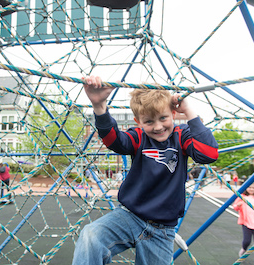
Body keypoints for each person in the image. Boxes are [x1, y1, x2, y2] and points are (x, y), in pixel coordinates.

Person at [72, 76, 219, 265]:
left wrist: (188, 110)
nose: (158, 127)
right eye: (149, 121)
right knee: (91, 235)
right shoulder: (139, 137)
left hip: (162, 230)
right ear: (138, 121)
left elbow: (209, 154)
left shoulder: (181, 136)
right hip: (129, 216)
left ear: (173, 114)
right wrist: (99, 107)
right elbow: (114, 141)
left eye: (163, 118)